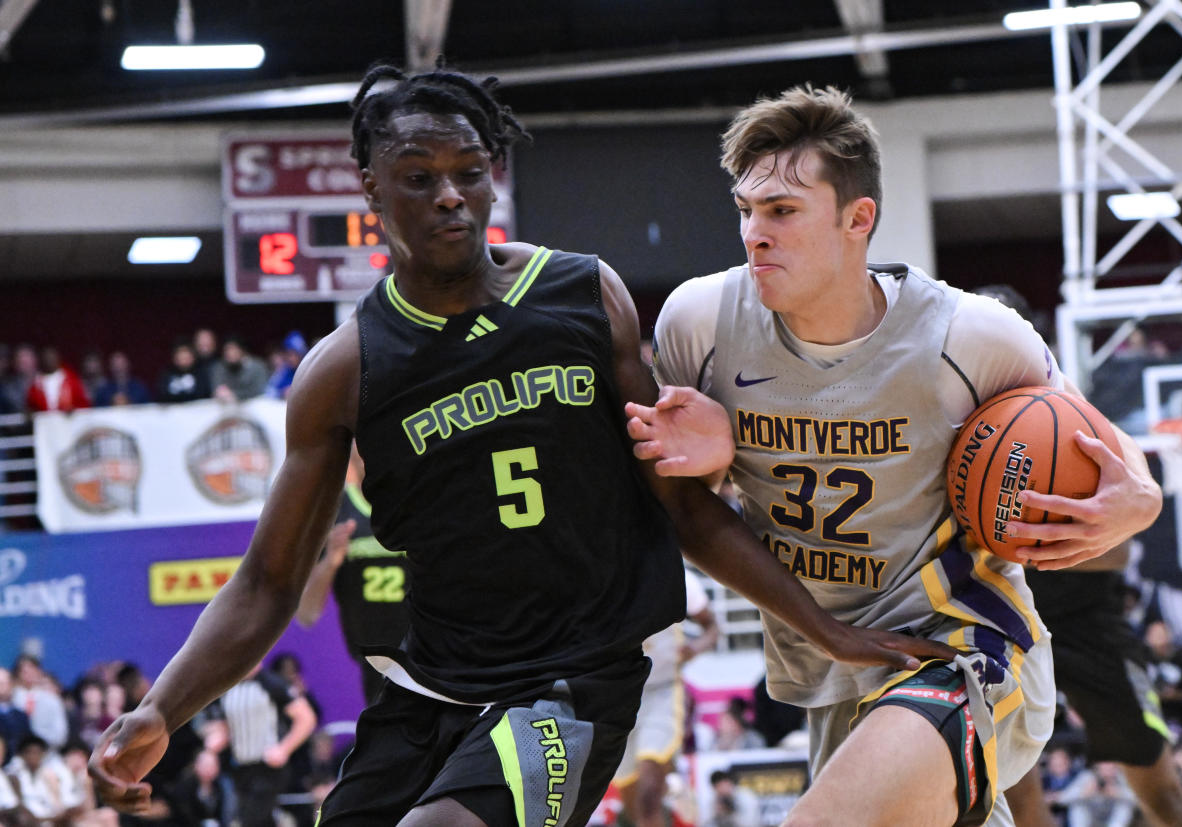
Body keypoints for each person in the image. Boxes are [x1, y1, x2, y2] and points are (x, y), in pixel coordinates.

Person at [88, 64, 950, 827]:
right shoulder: (344, 372)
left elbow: (681, 505)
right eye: (418, 178)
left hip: (579, 675)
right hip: (430, 689)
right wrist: (162, 708)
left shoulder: (582, 293)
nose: (450, 196)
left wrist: (823, 626)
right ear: (371, 189)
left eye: (469, 172)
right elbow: (270, 580)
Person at [626, 83, 1164, 825]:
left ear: (858, 218)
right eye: (746, 210)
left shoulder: (967, 336)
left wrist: (1143, 493)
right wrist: (715, 463)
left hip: (963, 644)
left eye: (782, 211)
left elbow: (1093, 433)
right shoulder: (701, 322)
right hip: (835, 669)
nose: (755, 232)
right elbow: (689, 513)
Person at [972, 284, 1182, 827]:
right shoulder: (956, 427)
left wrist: (1038, 543)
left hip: (1086, 621)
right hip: (1001, 621)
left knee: (1163, 793)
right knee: (1022, 806)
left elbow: (1116, 556)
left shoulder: (1073, 421)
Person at [294, 441, 413, 705]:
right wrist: (331, 562)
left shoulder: (417, 504)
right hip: (374, 659)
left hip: (426, 653)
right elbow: (307, 613)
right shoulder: (336, 510)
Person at [614, 568, 719, 827]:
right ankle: (673, 785)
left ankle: (668, 782)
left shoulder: (680, 578)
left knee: (648, 795)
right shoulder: (602, 572)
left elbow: (713, 628)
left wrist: (695, 648)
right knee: (633, 805)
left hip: (662, 689)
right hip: (617, 696)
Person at [202, 662, 316, 827]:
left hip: (268, 767)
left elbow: (306, 718)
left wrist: (284, 749)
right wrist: (209, 751)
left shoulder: (272, 683)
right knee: (259, 820)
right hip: (240, 767)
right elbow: (222, 727)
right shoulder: (228, 687)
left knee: (251, 819)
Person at [208, 335, 268, 402]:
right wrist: (220, 392)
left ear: (242, 350)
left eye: (234, 349)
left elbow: (260, 390)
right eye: (227, 350)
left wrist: (235, 394)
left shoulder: (257, 366)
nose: (230, 353)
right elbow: (217, 389)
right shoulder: (219, 367)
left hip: (253, 404)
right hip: (227, 405)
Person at [155, 338, 210, 403]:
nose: (183, 359)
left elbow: (203, 395)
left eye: (186, 356)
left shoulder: (200, 373)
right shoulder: (167, 374)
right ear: (175, 358)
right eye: (180, 356)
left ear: (193, 357)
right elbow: (162, 396)